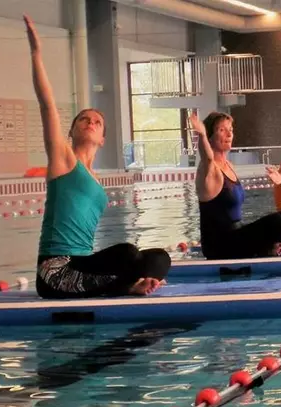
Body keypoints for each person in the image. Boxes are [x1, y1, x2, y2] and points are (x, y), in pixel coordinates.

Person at [24, 15, 170, 299]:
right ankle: (128, 285)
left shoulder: (95, 178)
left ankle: (132, 285)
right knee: (128, 253)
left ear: (102, 138)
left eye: (97, 122)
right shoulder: (63, 161)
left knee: (160, 258)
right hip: (55, 272)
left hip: (82, 267)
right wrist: (36, 54)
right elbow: (47, 105)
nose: (90, 122)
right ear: (71, 130)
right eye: (83, 119)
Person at [189, 110, 281, 259]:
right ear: (210, 137)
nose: (229, 134)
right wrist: (201, 135)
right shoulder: (208, 170)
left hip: (236, 236)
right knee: (279, 224)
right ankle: (278, 245)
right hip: (219, 246)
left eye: (230, 130)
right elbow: (207, 158)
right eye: (221, 130)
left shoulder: (229, 166)